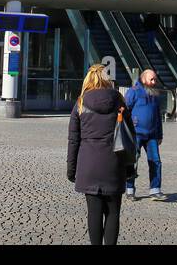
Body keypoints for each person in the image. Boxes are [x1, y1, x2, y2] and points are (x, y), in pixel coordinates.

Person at [67, 63, 135, 245]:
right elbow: (129, 137)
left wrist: (71, 169)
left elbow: (73, 140)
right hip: (115, 163)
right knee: (113, 213)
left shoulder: (80, 103)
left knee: (94, 213)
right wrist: (130, 167)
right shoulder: (119, 101)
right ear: (107, 80)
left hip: (89, 165)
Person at [124, 68, 167, 199]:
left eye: (155, 79)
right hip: (136, 133)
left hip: (152, 135)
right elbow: (125, 111)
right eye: (151, 79)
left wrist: (160, 135)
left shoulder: (155, 94)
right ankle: (130, 189)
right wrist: (127, 130)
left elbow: (158, 116)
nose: (154, 82)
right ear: (143, 79)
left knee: (155, 161)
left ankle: (155, 189)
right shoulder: (133, 92)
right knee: (133, 161)